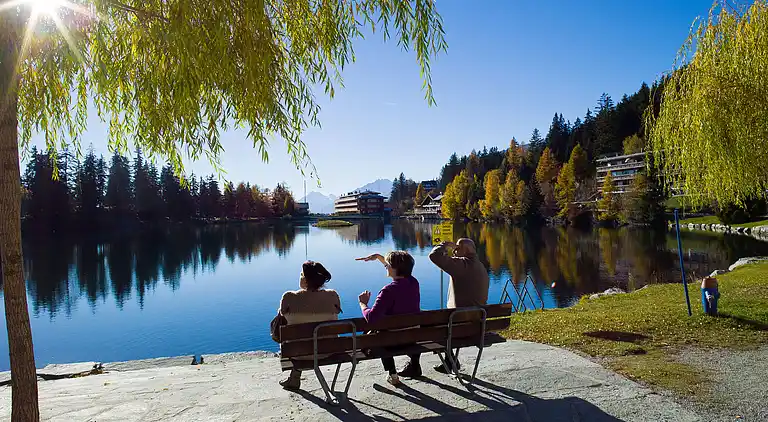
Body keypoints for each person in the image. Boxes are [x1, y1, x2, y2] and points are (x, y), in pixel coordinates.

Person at [356, 250, 421, 386]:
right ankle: (414, 365)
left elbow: (372, 318)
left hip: (391, 342)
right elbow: (397, 267)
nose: (386, 266)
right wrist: (379, 258)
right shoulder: (414, 283)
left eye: (388, 265)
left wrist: (363, 304)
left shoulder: (387, 291)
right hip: (412, 338)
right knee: (399, 326)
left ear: (395, 268)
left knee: (377, 333)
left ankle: (392, 374)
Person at [428, 238, 489, 374]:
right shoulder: (480, 266)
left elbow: (434, 256)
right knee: (445, 321)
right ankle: (450, 361)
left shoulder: (463, 265)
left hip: (459, 324)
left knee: (427, 324)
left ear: (465, 250)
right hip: (477, 324)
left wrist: (444, 245)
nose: (453, 252)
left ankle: (417, 364)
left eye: (456, 249)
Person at [277, 261, 340, 390]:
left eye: (301, 274)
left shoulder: (289, 297)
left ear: (305, 279)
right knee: (310, 334)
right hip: (328, 350)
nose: (300, 277)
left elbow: (281, 317)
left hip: (297, 352)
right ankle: (294, 378)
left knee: (288, 326)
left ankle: (294, 378)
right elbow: (337, 312)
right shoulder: (332, 295)